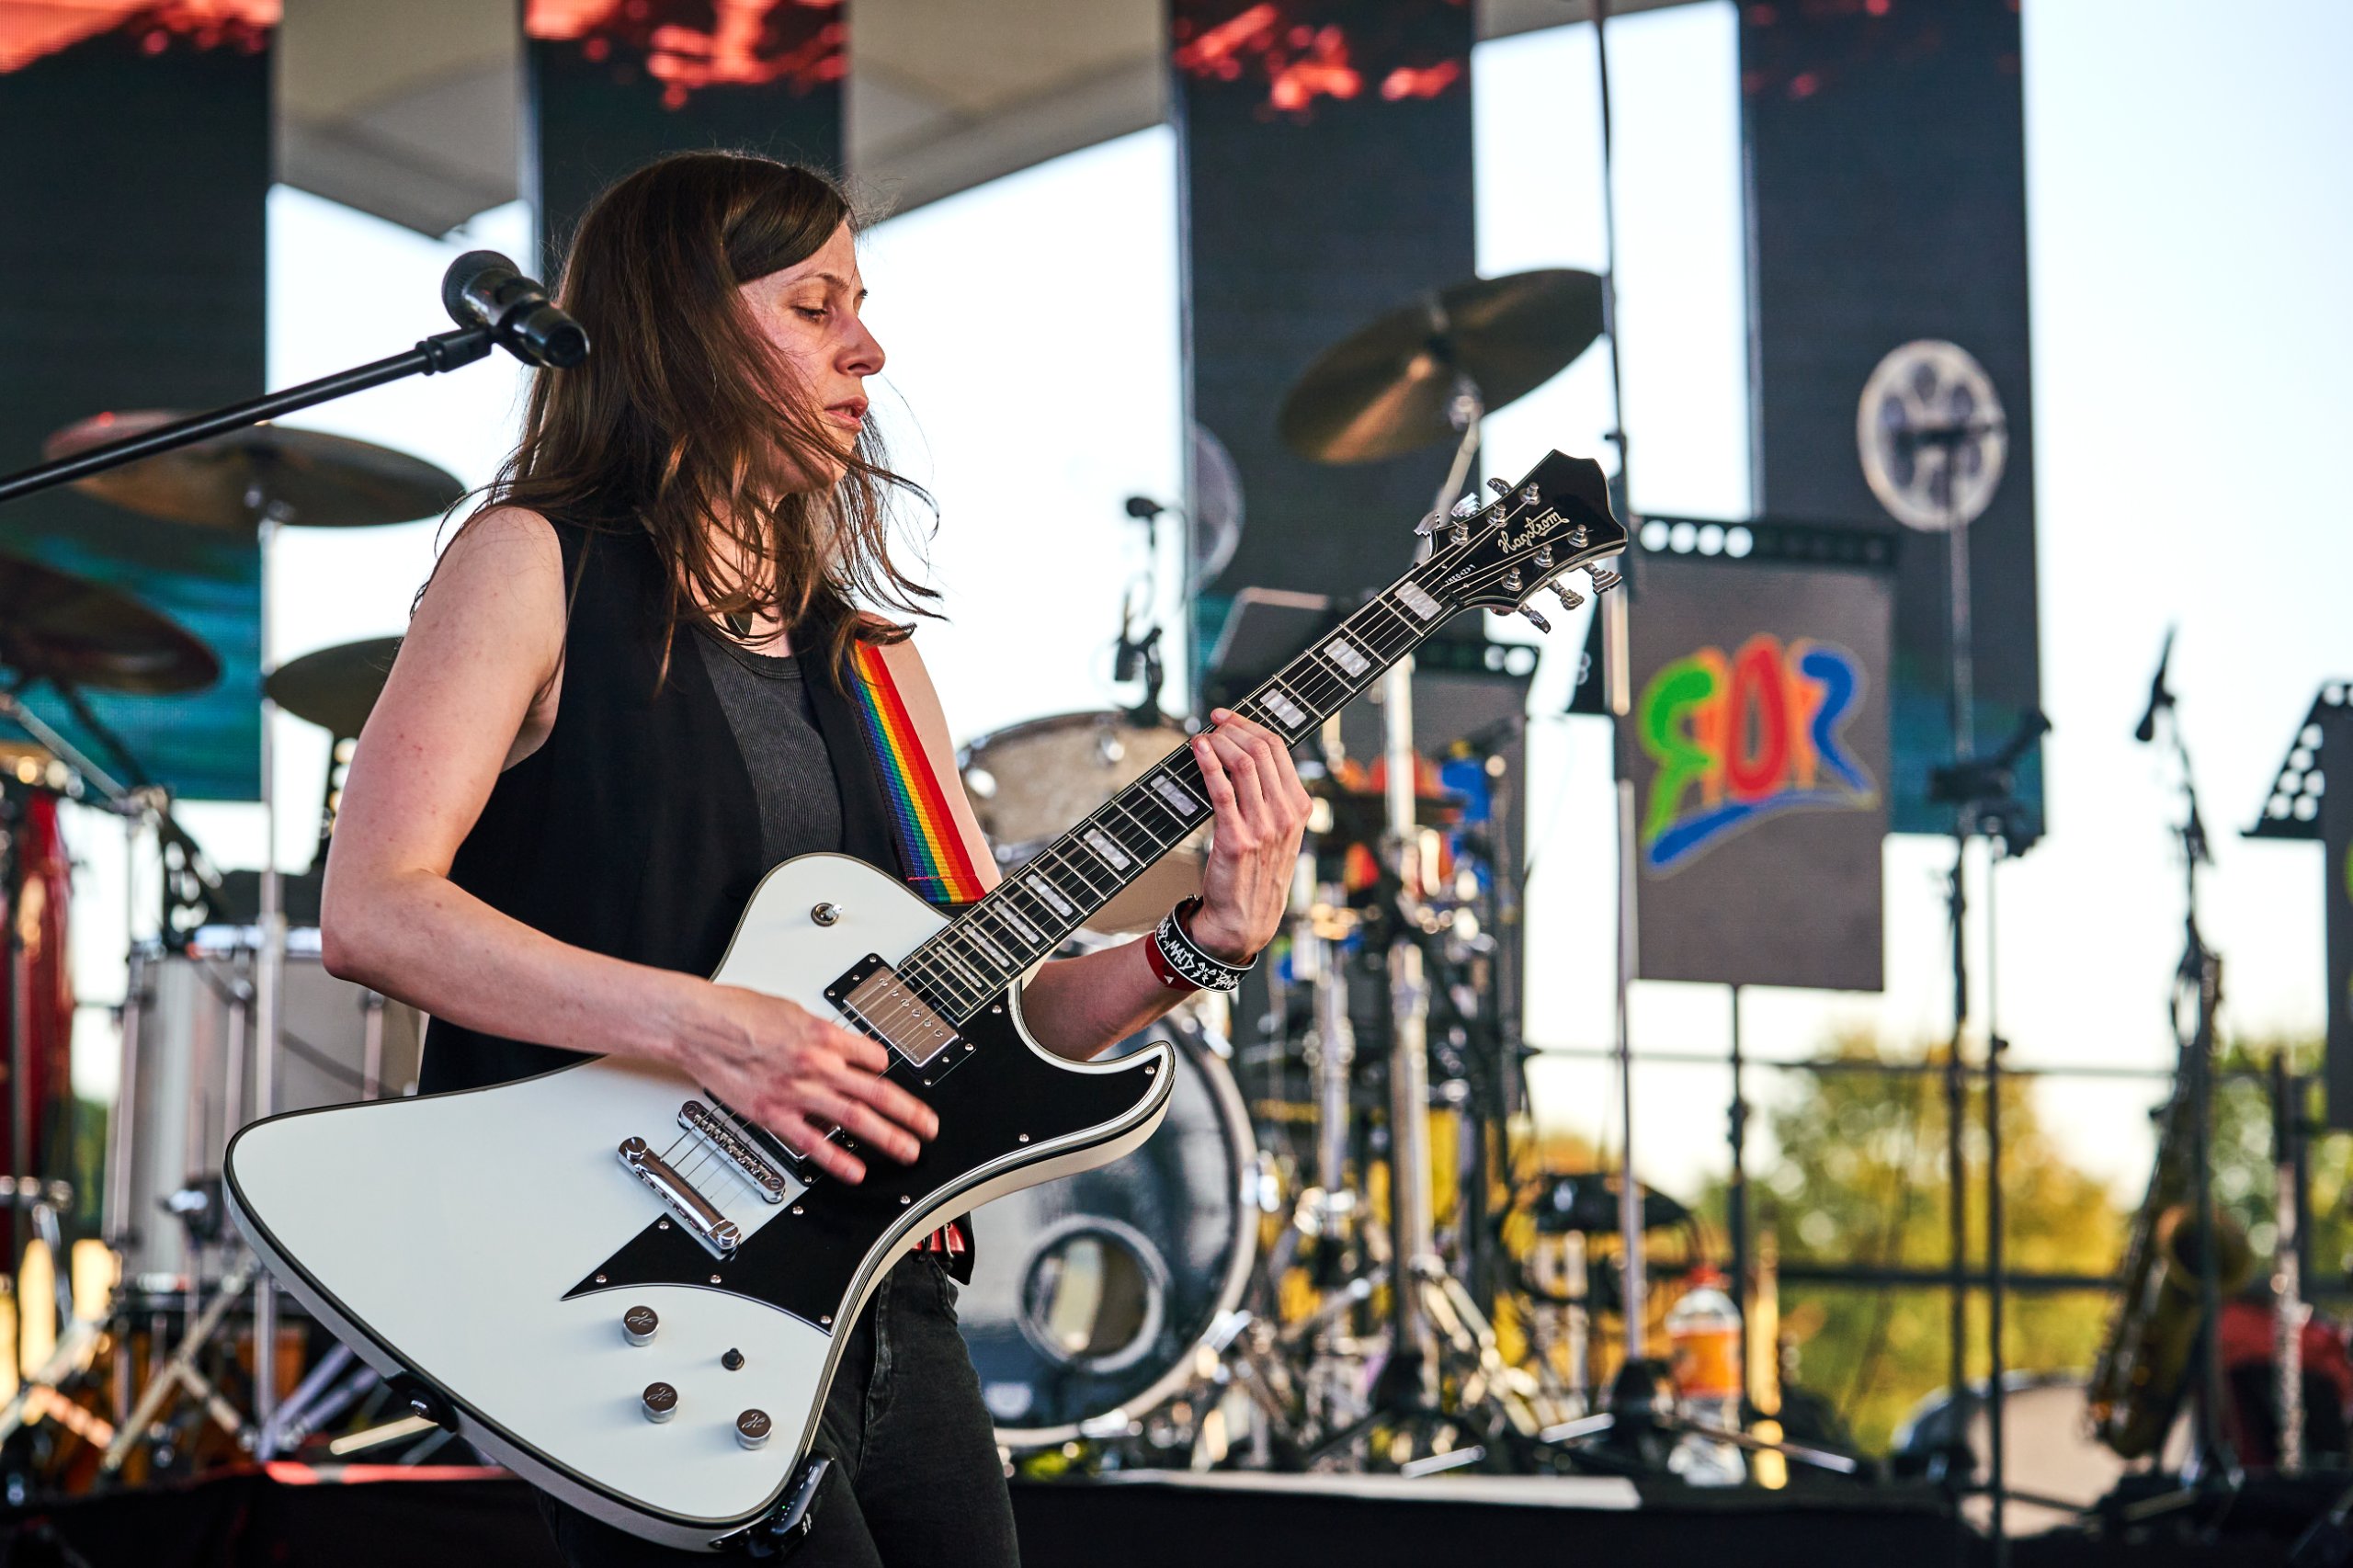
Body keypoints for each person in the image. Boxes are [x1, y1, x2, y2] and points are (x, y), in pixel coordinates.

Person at [318, 151, 1312, 1566]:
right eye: (815, 303)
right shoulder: (529, 561)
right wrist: (709, 1026)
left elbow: (977, 1012)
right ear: (683, 322)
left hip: (879, 1301)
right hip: (619, 1293)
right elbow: (373, 909)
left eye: (860, 301)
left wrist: (1191, 948)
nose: (871, 346)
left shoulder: (878, 662)